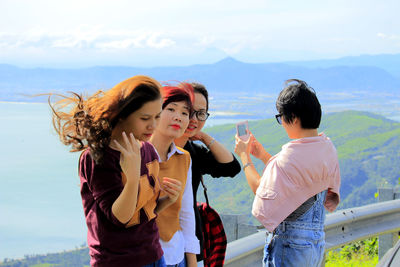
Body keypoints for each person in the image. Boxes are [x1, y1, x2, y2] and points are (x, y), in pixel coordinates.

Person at [49, 75, 182, 267]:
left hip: (154, 256)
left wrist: (166, 200)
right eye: (145, 118)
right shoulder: (98, 158)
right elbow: (121, 217)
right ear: (122, 115)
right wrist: (133, 174)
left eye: (157, 117)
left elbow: (143, 212)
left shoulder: (147, 149)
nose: (153, 125)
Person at [234, 79, 341, 267]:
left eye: (281, 117)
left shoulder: (289, 157)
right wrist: (263, 155)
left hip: (290, 246)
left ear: (294, 117)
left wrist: (245, 157)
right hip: (315, 245)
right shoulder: (326, 148)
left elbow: (261, 190)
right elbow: (295, 179)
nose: (281, 123)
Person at [174, 82, 241, 262]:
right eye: (189, 111)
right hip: (163, 245)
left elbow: (232, 167)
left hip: (191, 245)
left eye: (201, 113)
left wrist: (203, 136)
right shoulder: (156, 150)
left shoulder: (194, 151)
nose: (194, 118)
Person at [150, 82, 200, 267]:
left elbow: (186, 213)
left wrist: (192, 261)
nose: (178, 117)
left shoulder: (183, 158)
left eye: (184, 113)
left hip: (176, 256)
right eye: (171, 109)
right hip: (145, 257)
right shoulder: (136, 156)